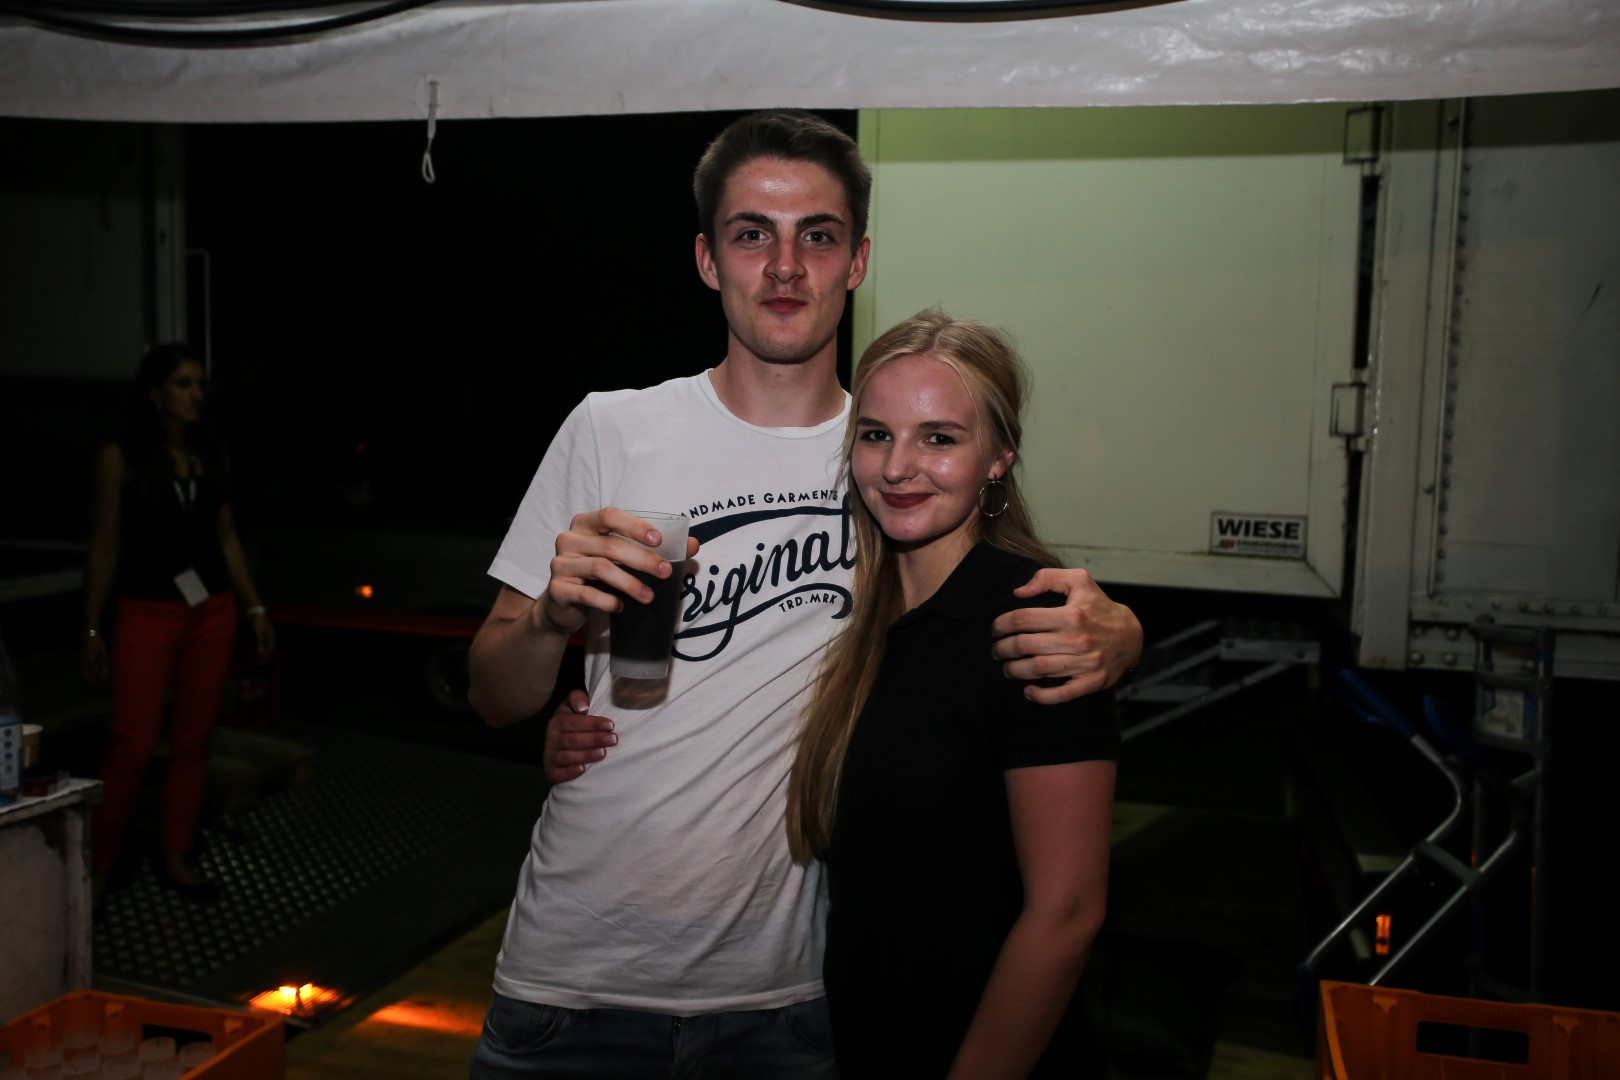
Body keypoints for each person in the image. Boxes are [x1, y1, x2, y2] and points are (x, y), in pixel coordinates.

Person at [466, 110, 1140, 1078]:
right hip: (573, 981)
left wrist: (1124, 632)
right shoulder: (612, 429)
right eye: (753, 235)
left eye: (816, 236)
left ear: (856, 260)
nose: (785, 267)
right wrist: (547, 622)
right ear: (708, 260)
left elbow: (978, 611)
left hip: (784, 1002)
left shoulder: (888, 458)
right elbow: (495, 695)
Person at [788, 310, 1117, 1078]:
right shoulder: (863, 617)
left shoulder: (1038, 624)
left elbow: (1067, 915)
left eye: (938, 438)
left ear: (999, 457)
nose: (898, 466)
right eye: (876, 435)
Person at [83, 343, 275, 903]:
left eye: (199, 384)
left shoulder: (209, 454)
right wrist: (91, 628)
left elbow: (226, 539)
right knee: (133, 743)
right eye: (183, 384)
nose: (196, 395)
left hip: (210, 612)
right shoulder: (121, 458)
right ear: (155, 392)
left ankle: (176, 856)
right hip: (146, 613)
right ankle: (94, 871)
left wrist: (255, 607)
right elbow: (104, 544)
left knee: (193, 741)